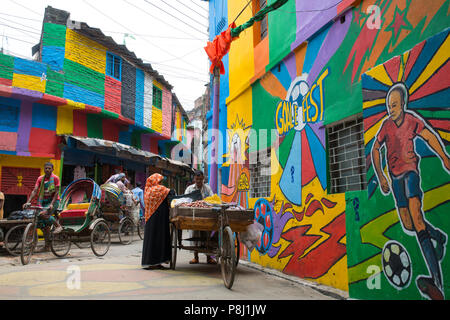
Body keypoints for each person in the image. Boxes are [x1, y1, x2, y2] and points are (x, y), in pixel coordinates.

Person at [371, 82, 449, 300]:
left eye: (394, 105)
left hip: (410, 174)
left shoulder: (412, 120)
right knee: (408, 223)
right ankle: (438, 236)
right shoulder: (386, 126)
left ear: (403, 104)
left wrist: (444, 157)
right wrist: (381, 176)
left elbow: (430, 136)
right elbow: (375, 148)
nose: (390, 108)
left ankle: (437, 283)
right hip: (395, 179)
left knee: (416, 216)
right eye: (388, 105)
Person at [23, 162, 64, 251]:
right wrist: (28, 202)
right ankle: (47, 246)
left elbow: (56, 193)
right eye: (46, 168)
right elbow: (35, 190)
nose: (47, 170)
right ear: (44, 169)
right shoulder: (40, 179)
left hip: (54, 200)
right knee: (41, 223)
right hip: (42, 200)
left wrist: (51, 204)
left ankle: (58, 226)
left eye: (49, 168)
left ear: (52, 169)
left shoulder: (55, 178)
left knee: (43, 214)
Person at [141, 173, 174, 270]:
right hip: (160, 219)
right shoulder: (160, 189)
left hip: (150, 218)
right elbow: (171, 193)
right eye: (160, 181)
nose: (161, 183)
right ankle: (158, 261)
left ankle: (151, 262)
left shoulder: (147, 190)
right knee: (160, 239)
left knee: (151, 239)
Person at [184, 170, 216, 265]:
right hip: (193, 215)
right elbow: (185, 200)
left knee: (207, 236)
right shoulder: (190, 189)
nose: (198, 181)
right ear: (194, 179)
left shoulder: (207, 189)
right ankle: (195, 257)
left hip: (206, 215)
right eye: (197, 179)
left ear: (203, 179)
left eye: (200, 179)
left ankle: (209, 257)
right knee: (194, 235)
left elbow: (213, 199)